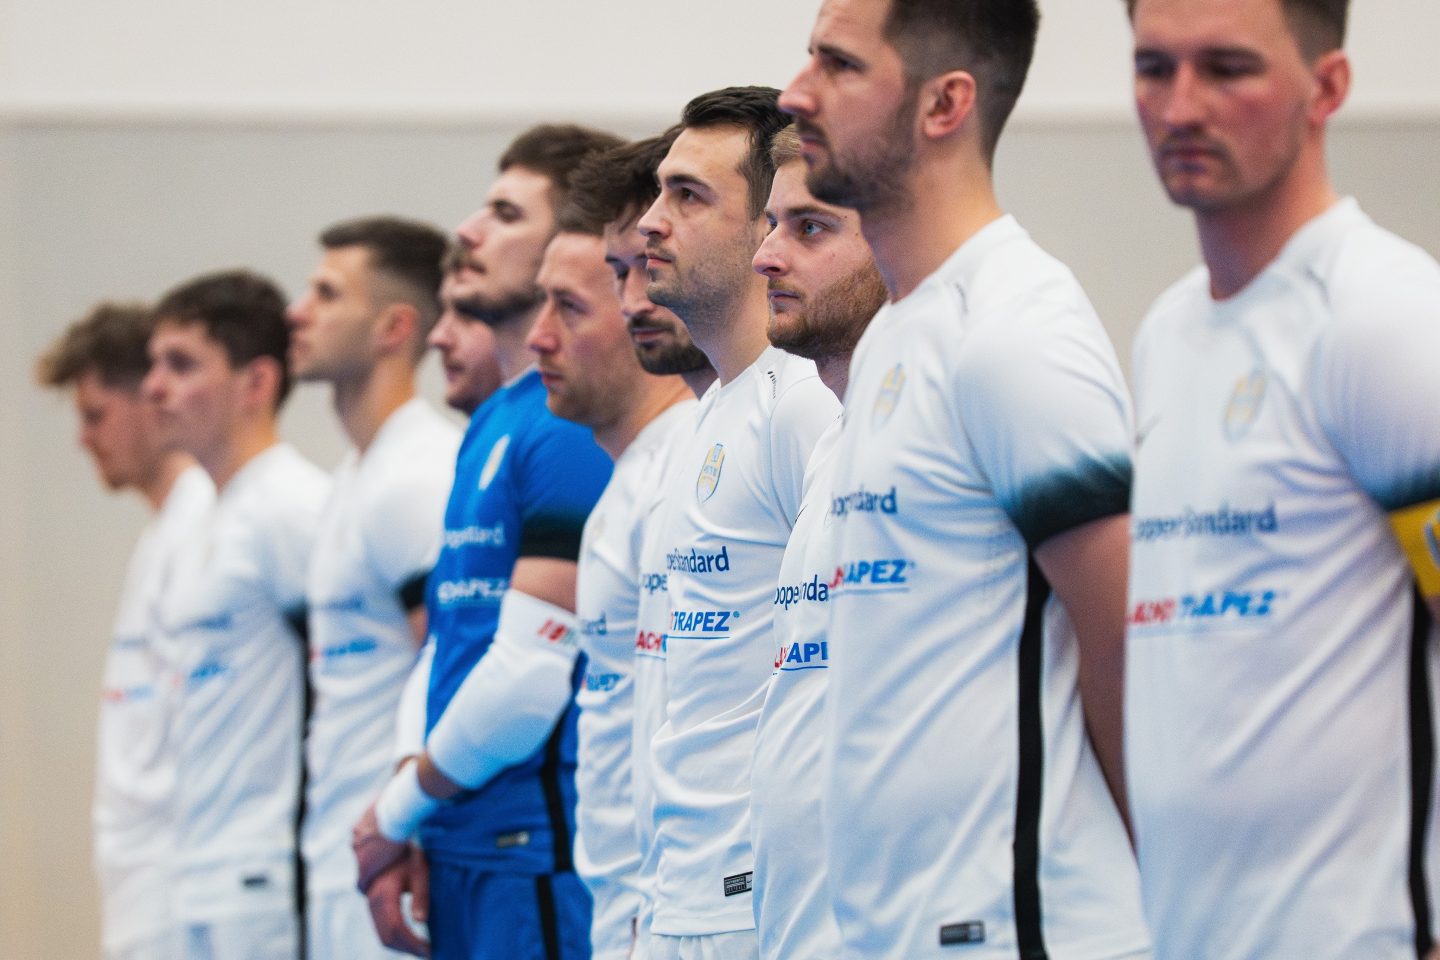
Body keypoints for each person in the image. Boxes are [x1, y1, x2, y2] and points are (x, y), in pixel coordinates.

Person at [781, 1, 1150, 957]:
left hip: (1015, 926)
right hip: (893, 929)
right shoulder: (900, 331)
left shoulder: (1015, 327)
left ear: (946, 103)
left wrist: (1189, 899)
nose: (796, 92)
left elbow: (1130, 649)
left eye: (838, 66)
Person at [1122, 1, 1440, 957]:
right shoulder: (1167, 333)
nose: (1181, 106)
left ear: (1327, 87)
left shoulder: (1380, 314)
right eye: (1154, 68)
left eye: (1227, 69)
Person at [352, 124, 622, 960]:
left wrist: (395, 816)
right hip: (464, 839)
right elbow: (448, 640)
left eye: (504, 213)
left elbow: (529, 674)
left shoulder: (566, 423)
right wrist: (415, 802)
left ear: (570, 244)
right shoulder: (493, 420)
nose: (468, 230)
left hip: (532, 854)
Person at [635, 87, 839, 960]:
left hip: (759, 910)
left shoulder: (806, 406)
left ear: (765, 230)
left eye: (687, 196)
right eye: (658, 191)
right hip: (680, 897)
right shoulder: (704, 417)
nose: (649, 221)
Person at [525, 159, 695, 960]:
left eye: (568, 306)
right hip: (628, 904)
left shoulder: (689, 467)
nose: (538, 339)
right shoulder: (626, 486)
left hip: (677, 908)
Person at [143, 270, 330, 959]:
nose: (154, 388)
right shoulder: (200, 515)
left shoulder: (292, 506)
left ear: (256, 382)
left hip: (265, 871)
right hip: (199, 867)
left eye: (181, 364)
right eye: (155, 364)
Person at [286, 216, 460, 959]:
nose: (298, 311)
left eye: (326, 294)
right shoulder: (354, 477)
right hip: (340, 857)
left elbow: (452, 663)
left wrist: (408, 819)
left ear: (395, 327)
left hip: (395, 857)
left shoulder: (416, 477)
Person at [746, 124, 886, 960]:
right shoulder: (834, 436)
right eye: (769, 225)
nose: (765, 255)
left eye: (809, 228)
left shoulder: (948, 418)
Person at [36, 302, 214, 960]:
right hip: (139, 880)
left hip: (181, 882)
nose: (83, 438)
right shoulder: (162, 533)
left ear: (151, 400)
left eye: (95, 415)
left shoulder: (206, 524)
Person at [579, 131, 717, 960]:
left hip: (712, 905)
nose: (632, 301)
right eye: (615, 274)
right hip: (640, 899)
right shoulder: (652, 466)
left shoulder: (790, 421)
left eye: (644, 267)